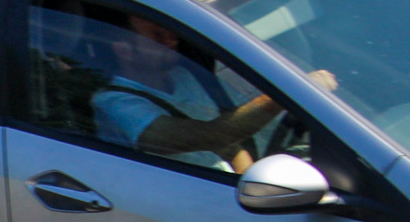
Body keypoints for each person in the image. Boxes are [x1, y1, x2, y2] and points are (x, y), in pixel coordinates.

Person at [92, 13, 336, 174]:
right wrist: (292, 92)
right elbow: (215, 134)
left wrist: (249, 181)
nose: (172, 40)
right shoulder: (115, 102)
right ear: (124, 51)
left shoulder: (183, 76)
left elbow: (232, 143)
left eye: (169, 32)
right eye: (157, 36)